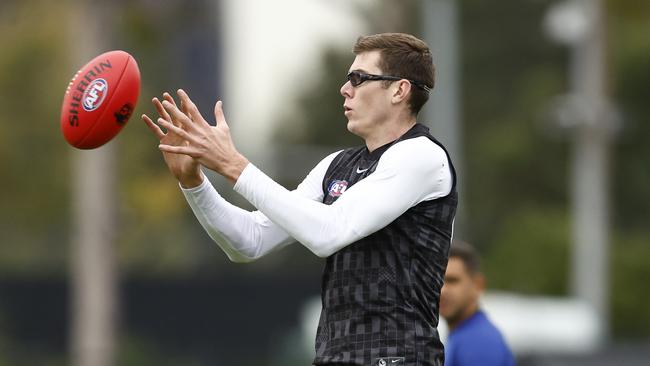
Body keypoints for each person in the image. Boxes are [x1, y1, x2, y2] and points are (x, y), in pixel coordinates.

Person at [142, 33, 457, 366]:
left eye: (358, 78)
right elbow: (249, 241)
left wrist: (234, 165)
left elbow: (330, 233)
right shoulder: (336, 166)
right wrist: (193, 183)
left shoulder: (422, 157)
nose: (345, 89)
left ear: (399, 90)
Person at [440, 241, 515, 366]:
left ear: (478, 285)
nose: (442, 290)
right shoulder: (462, 335)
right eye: (438, 281)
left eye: (452, 281)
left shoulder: (479, 342)